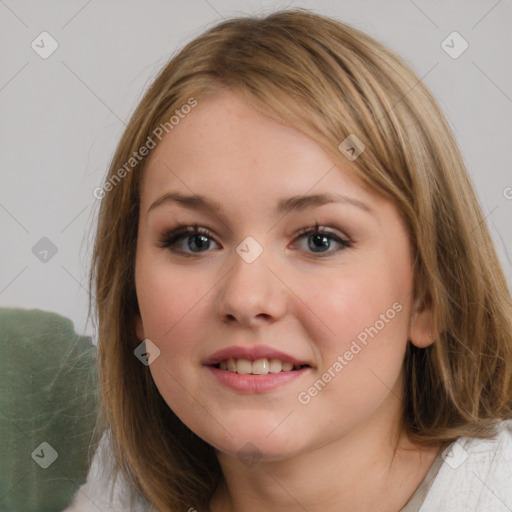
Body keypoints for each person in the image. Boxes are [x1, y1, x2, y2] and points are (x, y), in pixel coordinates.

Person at [64, 8, 512, 512]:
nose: (246, 298)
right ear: (132, 302)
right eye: (194, 240)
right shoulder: (117, 493)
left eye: (320, 240)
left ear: (429, 296)